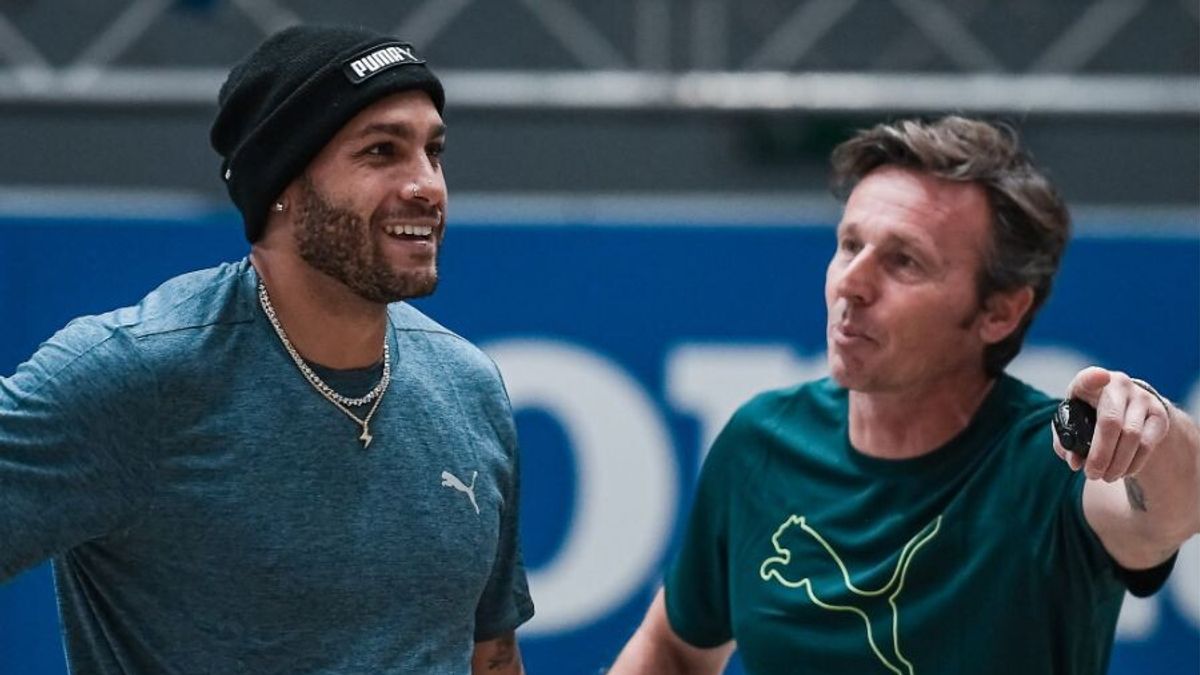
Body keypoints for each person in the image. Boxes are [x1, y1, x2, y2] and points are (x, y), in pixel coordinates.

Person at [0, 25, 533, 674]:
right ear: (283, 184)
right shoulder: (137, 372)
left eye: (434, 151)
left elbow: (491, 656)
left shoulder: (468, 385)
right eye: (382, 151)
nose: (427, 186)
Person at [610, 116, 1199, 674]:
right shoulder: (761, 443)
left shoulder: (1049, 465)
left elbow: (1180, 505)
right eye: (849, 245)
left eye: (904, 262)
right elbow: (673, 649)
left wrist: (1153, 428)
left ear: (999, 311)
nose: (852, 283)